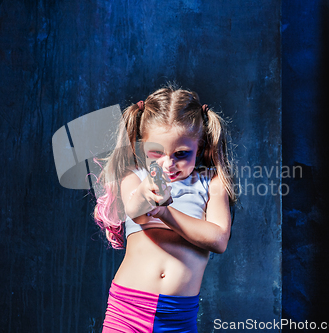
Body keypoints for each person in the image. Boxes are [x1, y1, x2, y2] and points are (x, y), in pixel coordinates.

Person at [93, 85, 238, 332]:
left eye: (181, 154)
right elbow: (135, 210)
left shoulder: (211, 182)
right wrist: (147, 192)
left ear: (200, 147)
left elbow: (219, 239)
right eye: (156, 153)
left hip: (178, 316)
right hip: (128, 310)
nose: (168, 164)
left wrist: (164, 212)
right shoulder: (135, 175)